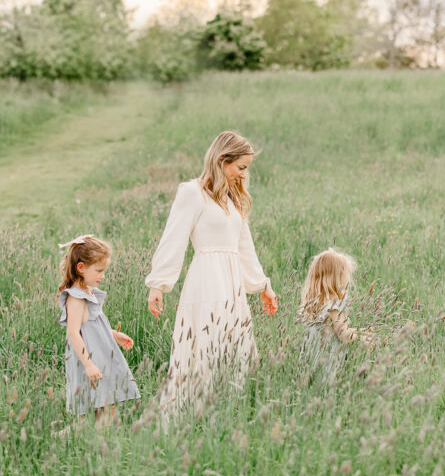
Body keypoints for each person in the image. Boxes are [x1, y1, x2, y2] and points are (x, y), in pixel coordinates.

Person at [145, 131, 278, 416]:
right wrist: (158, 284)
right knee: (205, 347)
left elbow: (244, 247)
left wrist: (262, 285)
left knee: (235, 349)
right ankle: (192, 414)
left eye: (246, 169)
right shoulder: (192, 193)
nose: (243, 175)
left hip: (232, 287)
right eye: (240, 167)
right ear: (221, 161)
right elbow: (174, 238)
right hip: (206, 281)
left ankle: (228, 412)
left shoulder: (235, 200)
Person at [57, 235, 139, 425]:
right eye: (99, 270)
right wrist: (88, 364)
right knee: (90, 409)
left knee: (107, 404)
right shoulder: (75, 298)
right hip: (89, 359)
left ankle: (102, 442)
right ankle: (83, 442)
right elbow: (73, 333)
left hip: (102, 356)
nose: (103, 276)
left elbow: (93, 327)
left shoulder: (88, 291)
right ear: (81, 268)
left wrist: (114, 335)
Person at [296, 248, 369, 384]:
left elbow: (334, 330)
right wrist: (362, 337)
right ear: (336, 279)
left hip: (311, 360)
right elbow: (342, 334)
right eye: (345, 276)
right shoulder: (334, 307)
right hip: (327, 362)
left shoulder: (315, 306)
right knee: (324, 390)